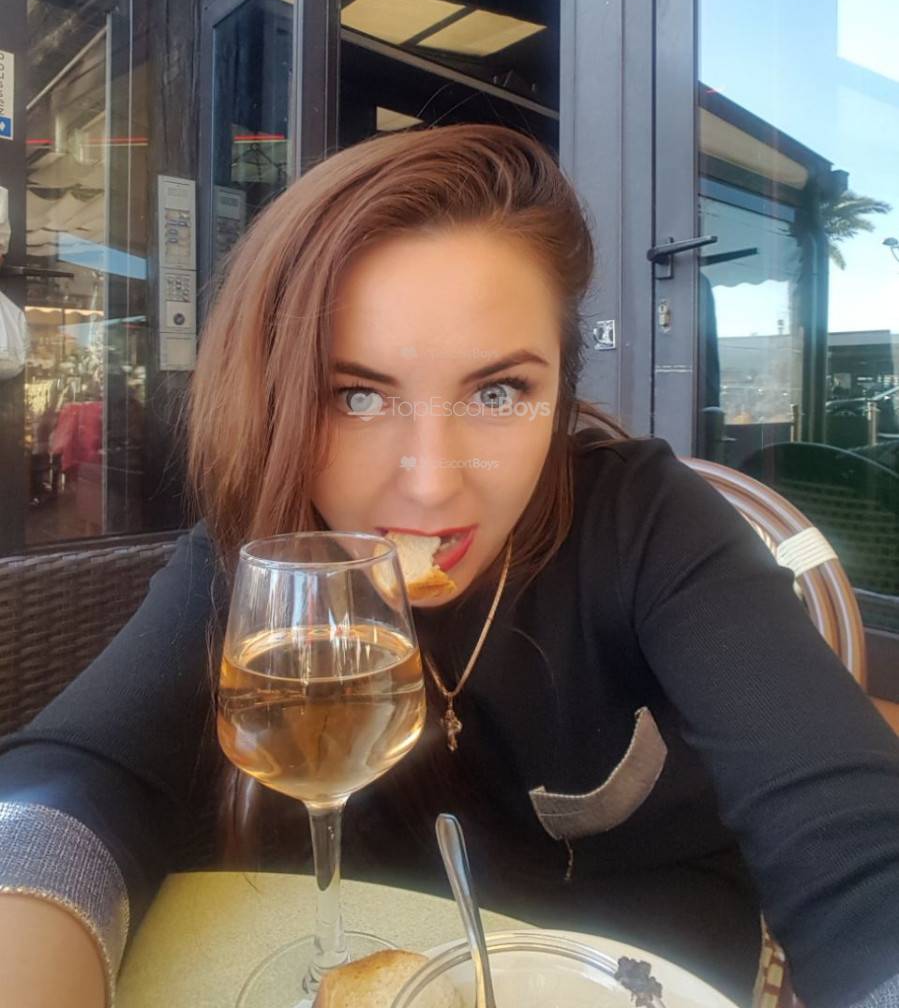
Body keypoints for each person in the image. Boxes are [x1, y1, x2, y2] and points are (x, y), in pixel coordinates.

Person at [2, 125, 899, 1008]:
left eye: (498, 392)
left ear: (560, 392)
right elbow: (73, 780)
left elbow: (851, 837)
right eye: (357, 396)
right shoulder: (269, 557)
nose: (431, 483)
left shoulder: (646, 523)